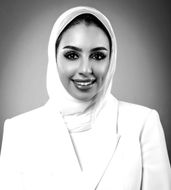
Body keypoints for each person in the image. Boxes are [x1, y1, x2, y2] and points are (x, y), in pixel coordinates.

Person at [0, 6, 170, 190]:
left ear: (111, 60)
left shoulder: (142, 124)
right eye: (72, 55)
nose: (85, 69)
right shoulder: (19, 131)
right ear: (54, 56)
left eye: (98, 56)